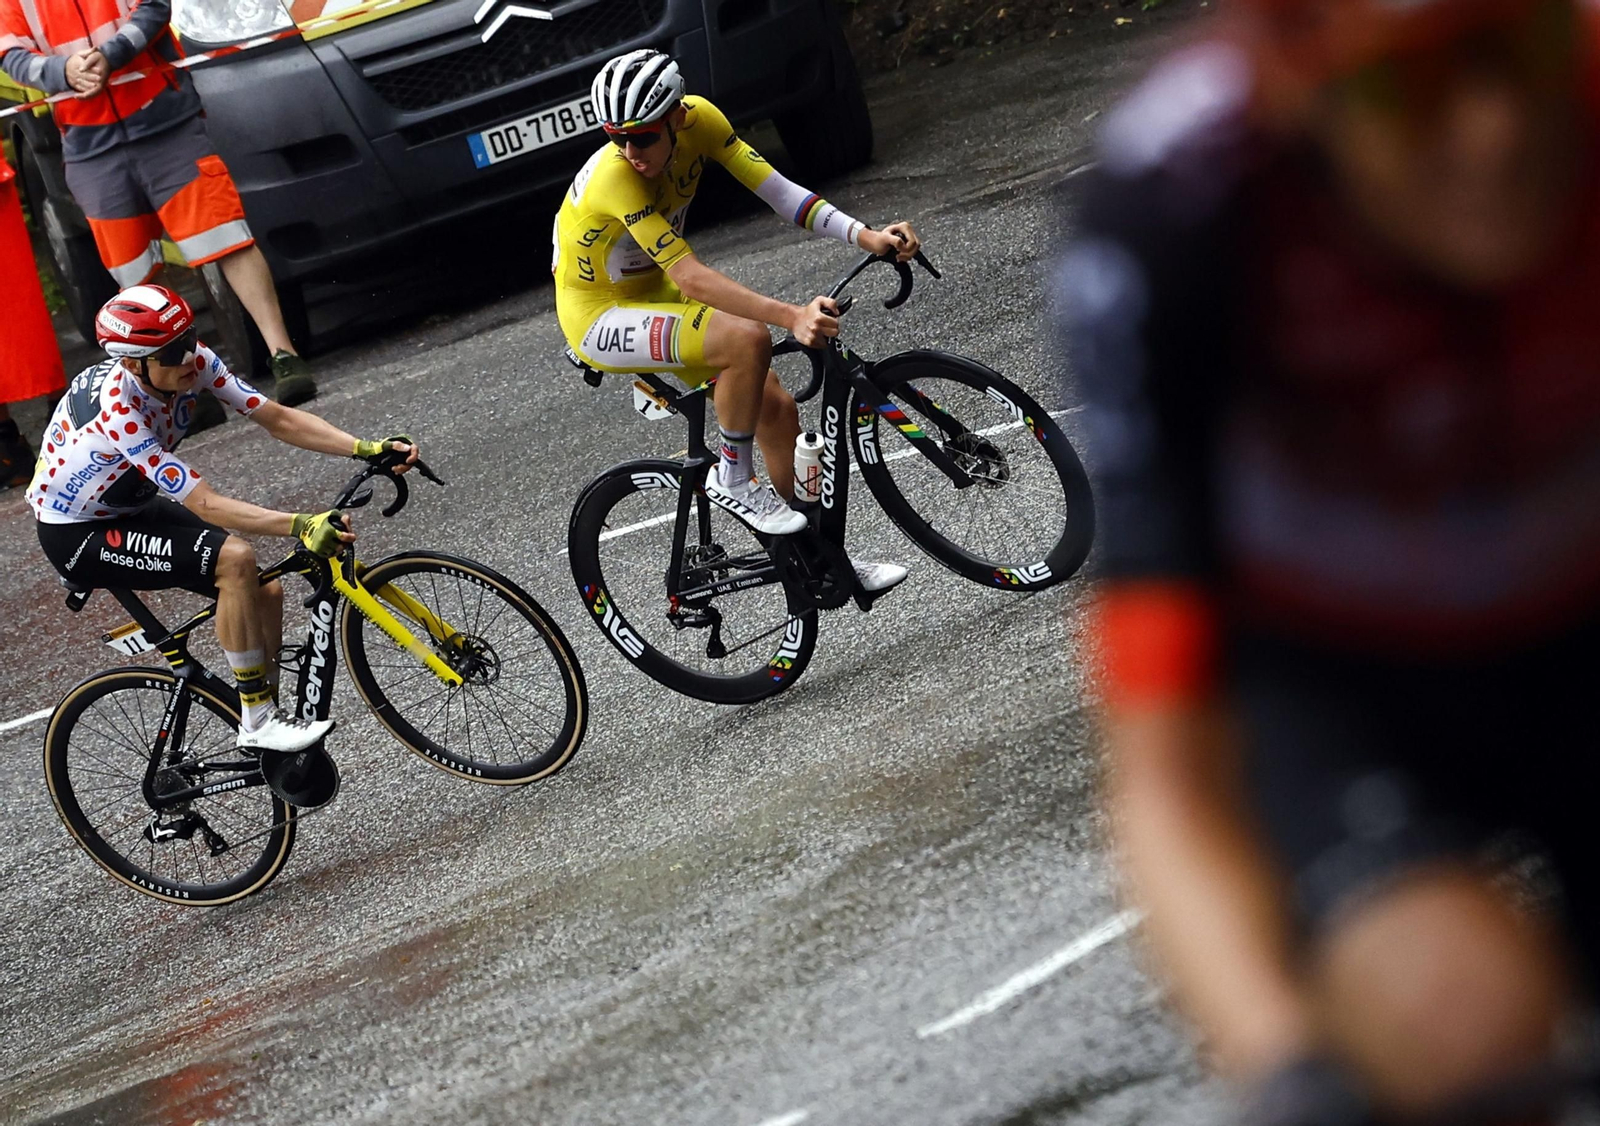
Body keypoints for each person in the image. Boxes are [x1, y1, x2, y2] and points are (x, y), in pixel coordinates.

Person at [1057, 0, 1600, 1121]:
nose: (1492, 129)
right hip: (1334, 679)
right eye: (1407, 86)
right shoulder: (1170, 212)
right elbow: (1164, 773)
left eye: (1517, 50)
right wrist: (1288, 1064)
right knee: (1458, 1009)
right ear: (1297, 93)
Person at [554, 49, 914, 592]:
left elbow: (779, 192)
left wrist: (865, 235)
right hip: (598, 312)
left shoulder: (703, 121)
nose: (630, 152)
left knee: (774, 408)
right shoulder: (616, 178)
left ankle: (819, 562)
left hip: (655, 289)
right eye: (616, 137)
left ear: (677, 116)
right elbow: (694, 277)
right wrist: (791, 316)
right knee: (747, 338)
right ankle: (734, 475)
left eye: (644, 136)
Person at [28, 284, 416, 754]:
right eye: (172, 352)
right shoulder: (120, 411)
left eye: (190, 337)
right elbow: (206, 504)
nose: (190, 356)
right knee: (235, 559)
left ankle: (266, 714)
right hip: (76, 534)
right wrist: (301, 523)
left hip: (126, 505)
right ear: (133, 364)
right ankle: (256, 721)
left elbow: (277, 418)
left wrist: (365, 447)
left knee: (264, 587)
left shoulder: (190, 361)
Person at [0, 0, 319, 428]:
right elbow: (11, 56)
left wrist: (108, 56)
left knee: (225, 236)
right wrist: (64, 73)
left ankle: (285, 357)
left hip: (165, 120)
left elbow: (154, 8)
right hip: (89, 144)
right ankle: (183, 389)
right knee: (136, 275)